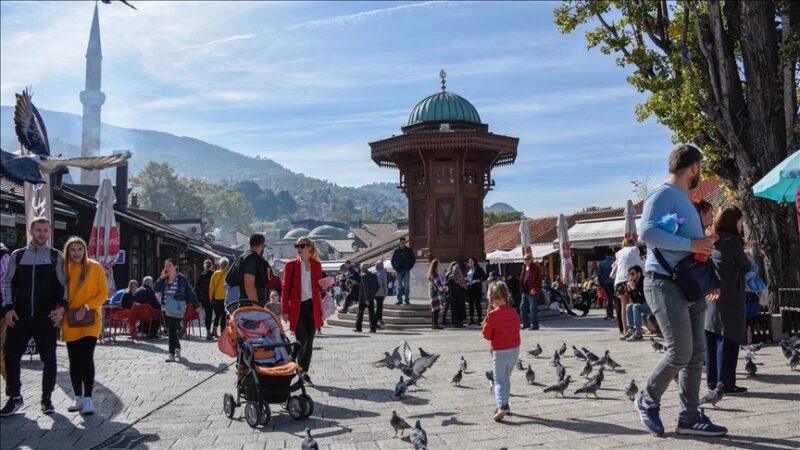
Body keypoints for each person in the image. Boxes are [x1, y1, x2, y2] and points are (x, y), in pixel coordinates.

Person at [636, 144, 726, 437]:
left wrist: (702, 243)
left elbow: (682, 239)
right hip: (665, 282)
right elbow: (647, 233)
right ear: (695, 167)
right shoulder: (663, 193)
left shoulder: (683, 198)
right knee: (679, 352)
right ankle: (648, 399)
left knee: (696, 354)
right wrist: (692, 244)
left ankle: (689, 417)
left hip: (689, 283)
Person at [1, 217, 66, 416]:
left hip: (45, 317)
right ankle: (15, 397)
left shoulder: (56, 256)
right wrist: (8, 309)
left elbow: (64, 287)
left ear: (49, 233)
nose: (42, 234)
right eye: (38, 230)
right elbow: (7, 284)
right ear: (31, 231)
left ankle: (46, 398)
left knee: (49, 359)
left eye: (46, 230)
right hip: (19, 317)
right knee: (11, 356)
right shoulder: (18, 256)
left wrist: (61, 309)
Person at [706, 206, 750, 394]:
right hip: (729, 295)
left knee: (713, 336)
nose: (742, 224)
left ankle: (713, 382)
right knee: (729, 337)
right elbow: (746, 266)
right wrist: (744, 249)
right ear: (734, 221)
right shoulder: (732, 241)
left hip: (711, 294)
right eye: (740, 221)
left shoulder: (713, 238)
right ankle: (726, 384)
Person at [60, 237, 107, 415]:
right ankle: (77, 397)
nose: (77, 253)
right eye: (73, 249)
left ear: (85, 250)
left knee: (86, 357)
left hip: (91, 319)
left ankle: (88, 399)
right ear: (68, 251)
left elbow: (103, 293)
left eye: (80, 249)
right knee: (74, 360)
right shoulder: (63, 269)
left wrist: (86, 306)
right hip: (70, 319)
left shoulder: (94, 267)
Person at [281, 237, 323, 385]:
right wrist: (284, 310)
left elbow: (318, 286)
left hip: (312, 307)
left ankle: (304, 372)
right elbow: (285, 289)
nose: (299, 248)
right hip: (297, 307)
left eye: (302, 246)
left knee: (310, 341)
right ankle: (295, 365)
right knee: (302, 341)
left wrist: (323, 287)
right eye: (297, 246)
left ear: (309, 248)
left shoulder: (317, 265)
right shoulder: (290, 265)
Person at [482, 281, 520, 422]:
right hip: (514, 350)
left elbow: (486, 335)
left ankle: (501, 406)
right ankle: (506, 403)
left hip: (500, 352)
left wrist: (487, 323)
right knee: (507, 378)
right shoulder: (513, 311)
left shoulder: (492, 315)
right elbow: (517, 328)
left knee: (498, 380)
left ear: (493, 299)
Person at [154, 258, 199, 363]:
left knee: (172, 329)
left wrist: (196, 305)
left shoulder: (182, 279)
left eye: (169, 265)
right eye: (166, 265)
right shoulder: (164, 279)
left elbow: (189, 292)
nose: (167, 267)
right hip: (165, 308)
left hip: (177, 308)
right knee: (170, 330)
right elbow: (155, 289)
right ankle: (177, 347)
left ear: (175, 266)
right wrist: (160, 278)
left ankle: (171, 354)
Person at [613, 239, 643, 335]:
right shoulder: (634, 249)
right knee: (631, 305)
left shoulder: (619, 253)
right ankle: (633, 329)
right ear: (632, 244)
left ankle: (626, 330)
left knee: (623, 306)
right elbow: (639, 263)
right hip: (629, 279)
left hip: (618, 281)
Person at [622, 266, 650, 341]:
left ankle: (638, 332)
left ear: (639, 273)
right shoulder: (635, 282)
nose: (630, 276)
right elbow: (635, 301)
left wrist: (634, 289)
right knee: (629, 306)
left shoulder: (644, 282)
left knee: (636, 306)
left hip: (651, 306)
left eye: (632, 274)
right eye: (629, 274)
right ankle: (631, 330)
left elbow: (642, 301)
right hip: (644, 304)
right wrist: (630, 290)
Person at [240, 234, 268, 305]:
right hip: (250, 307)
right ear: (262, 245)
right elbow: (249, 284)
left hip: (248, 305)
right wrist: (256, 307)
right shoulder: (251, 259)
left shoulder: (245, 257)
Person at [518, 254, 542, 330]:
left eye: (528, 259)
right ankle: (526, 324)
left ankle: (535, 326)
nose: (526, 260)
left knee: (533, 309)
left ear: (531, 259)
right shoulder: (524, 267)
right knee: (522, 307)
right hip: (525, 292)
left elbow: (539, 280)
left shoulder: (536, 268)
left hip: (532, 292)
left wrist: (534, 289)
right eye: (525, 259)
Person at [391, 237, 416, 305]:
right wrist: (395, 268)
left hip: (406, 270)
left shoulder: (408, 250)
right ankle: (399, 300)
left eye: (404, 243)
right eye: (402, 243)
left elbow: (413, 259)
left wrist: (409, 267)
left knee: (407, 285)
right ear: (399, 243)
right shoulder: (396, 251)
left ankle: (407, 299)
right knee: (399, 286)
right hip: (398, 271)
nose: (403, 244)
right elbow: (392, 261)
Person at [353, 265, 378, 333]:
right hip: (371, 298)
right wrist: (372, 295)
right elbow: (377, 286)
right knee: (372, 313)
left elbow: (365, 288)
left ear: (362, 269)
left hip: (364, 298)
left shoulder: (364, 276)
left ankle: (358, 328)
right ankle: (373, 329)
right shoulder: (373, 275)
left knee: (360, 313)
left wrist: (366, 298)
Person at [208, 258, 229, 339]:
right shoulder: (228, 274)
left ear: (220, 265)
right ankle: (223, 332)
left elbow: (211, 287)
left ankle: (214, 329)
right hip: (225, 298)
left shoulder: (215, 274)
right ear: (227, 265)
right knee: (223, 316)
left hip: (216, 298)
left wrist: (210, 298)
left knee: (218, 315)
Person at [0, 243, 10, 394]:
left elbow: (7, 283)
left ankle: (12, 387)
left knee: (1, 352)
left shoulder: (3, 254)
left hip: (1, 311)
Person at [195, 260, 214, 340]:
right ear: (212, 266)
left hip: (204, 298)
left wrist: (199, 299)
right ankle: (214, 330)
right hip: (213, 297)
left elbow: (197, 288)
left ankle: (208, 332)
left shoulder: (201, 275)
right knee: (214, 315)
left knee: (208, 315)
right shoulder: (214, 274)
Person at [444, 262, 467, 328]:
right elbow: (465, 287)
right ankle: (461, 322)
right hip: (461, 296)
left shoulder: (451, 278)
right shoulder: (461, 278)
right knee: (461, 309)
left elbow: (446, 285)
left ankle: (455, 322)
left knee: (454, 310)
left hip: (453, 296)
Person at [466, 257, 487, 325]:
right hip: (469, 288)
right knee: (470, 305)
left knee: (477, 304)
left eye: (471, 261)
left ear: (474, 262)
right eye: (469, 262)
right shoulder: (468, 269)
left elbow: (484, 277)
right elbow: (468, 278)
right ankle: (471, 319)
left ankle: (479, 319)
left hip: (476, 289)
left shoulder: (479, 269)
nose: (470, 263)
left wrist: (477, 280)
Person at [597, 249, 616, 321]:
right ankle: (619, 314)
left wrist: (602, 284)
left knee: (609, 299)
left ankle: (609, 315)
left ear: (605, 254)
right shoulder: (615, 262)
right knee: (616, 299)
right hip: (615, 283)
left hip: (606, 284)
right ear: (612, 254)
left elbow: (599, 275)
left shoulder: (601, 263)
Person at [427, 259, 445, 330]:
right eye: (438, 264)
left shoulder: (432, 274)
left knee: (434, 310)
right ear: (435, 266)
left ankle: (434, 324)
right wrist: (443, 289)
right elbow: (438, 284)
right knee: (436, 310)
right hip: (435, 294)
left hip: (433, 293)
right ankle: (435, 325)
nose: (439, 265)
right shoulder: (435, 274)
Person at [374, 261, 388, 328]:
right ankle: (376, 322)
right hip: (381, 292)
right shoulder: (383, 273)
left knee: (378, 307)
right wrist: (386, 293)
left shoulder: (375, 272)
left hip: (375, 293)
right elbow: (385, 284)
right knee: (379, 308)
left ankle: (380, 320)